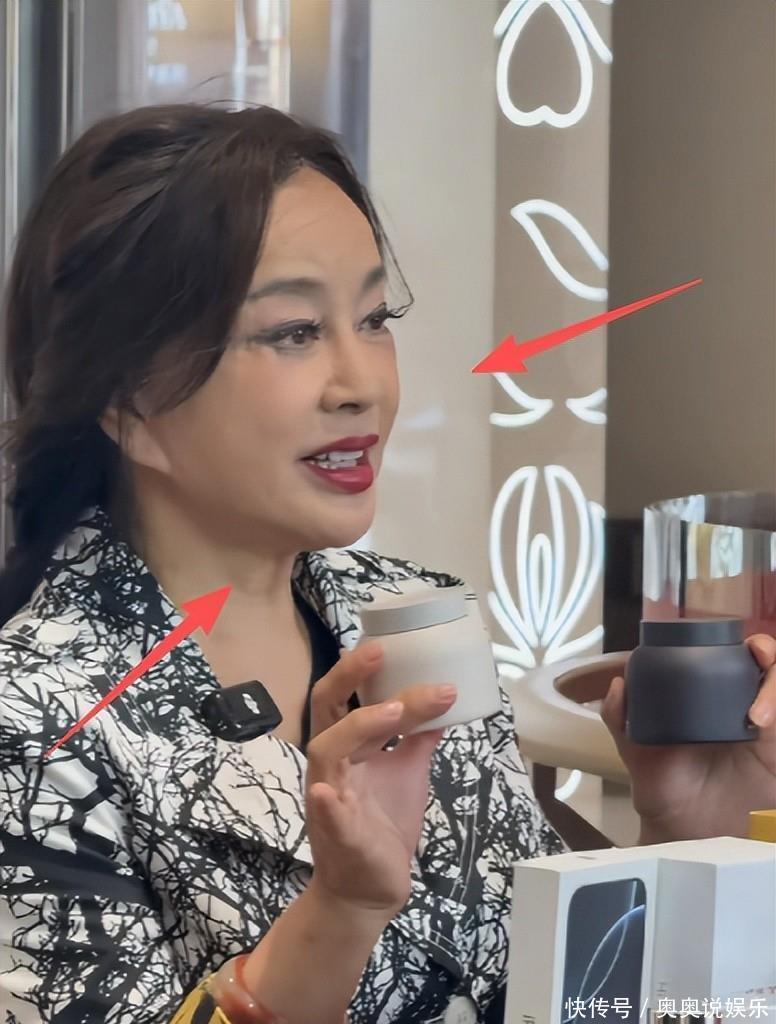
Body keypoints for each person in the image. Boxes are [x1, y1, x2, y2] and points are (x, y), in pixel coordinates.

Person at [0, 103, 774, 1024]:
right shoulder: (34, 719)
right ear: (127, 398)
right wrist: (339, 914)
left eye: (374, 318)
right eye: (293, 331)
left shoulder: (418, 617)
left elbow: (541, 993)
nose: (363, 383)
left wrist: (689, 839)